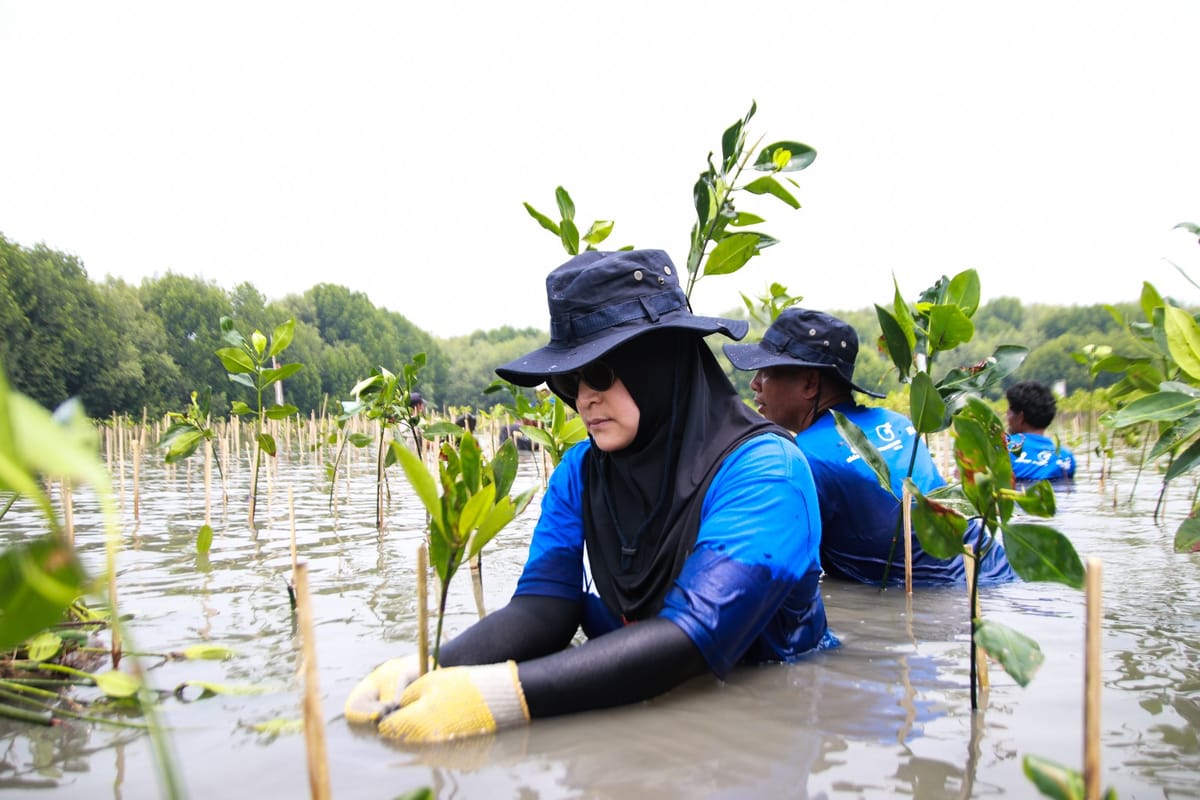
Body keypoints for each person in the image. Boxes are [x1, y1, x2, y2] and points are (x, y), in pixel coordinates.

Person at [345, 249, 834, 744]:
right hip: (642, 675)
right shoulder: (579, 471)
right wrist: (432, 665)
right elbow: (546, 605)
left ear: (660, 364)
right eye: (568, 380)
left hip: (762, 705)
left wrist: (502, 696)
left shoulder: (767, 472)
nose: (583, 398)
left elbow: (693, 637)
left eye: (599, 373)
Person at [724, 307, 1016, 587]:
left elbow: (777, 566)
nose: (754, 384)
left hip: (938, 596)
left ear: (811, 384)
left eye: (766, 372)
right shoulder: (897, 421)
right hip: (995, 568)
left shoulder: (799, 457)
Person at [1005, 380, 1076, 481]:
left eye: (1009, 411)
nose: (1007, 415)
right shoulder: (1066, 456)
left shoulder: (1003, 447)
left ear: (1020, 417)